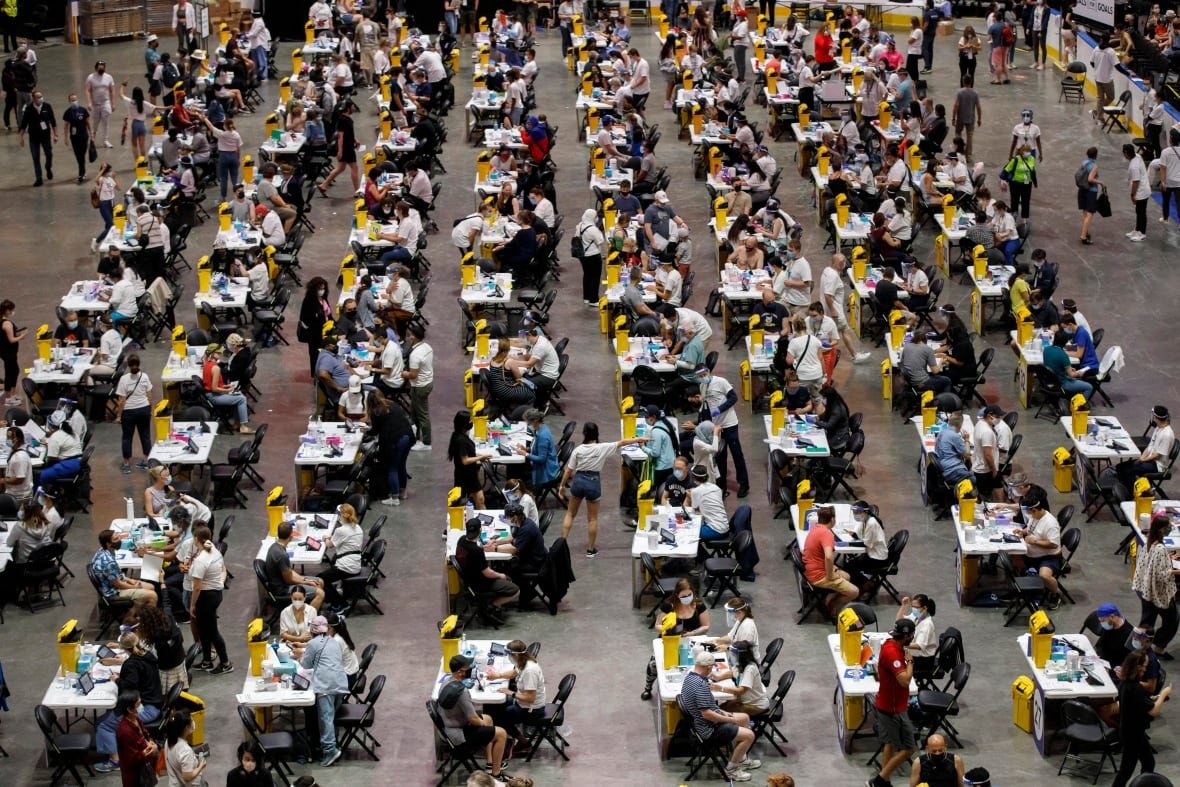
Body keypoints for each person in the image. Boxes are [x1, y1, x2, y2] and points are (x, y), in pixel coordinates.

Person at [558, 422, 644, 556]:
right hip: (593, 482)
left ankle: (561, 547)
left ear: (584, 433)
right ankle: (590, 550)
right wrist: (638, 439)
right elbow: (622, 442)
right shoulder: (602, 447)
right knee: (592, 519)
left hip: (579, 481)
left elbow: (568, 471)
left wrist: (562, 486)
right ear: (596, 434)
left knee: (570, 514)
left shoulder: (578, 450)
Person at [679, 647, 761, 782]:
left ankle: (741, 758)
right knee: (749, 736)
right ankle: (732, 770)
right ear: (708, 667)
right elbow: (707, 714)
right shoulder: (700, 685)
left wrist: (725, 713)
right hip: (708, 730)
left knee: (744, 718)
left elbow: (710, 707)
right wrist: (730, 720)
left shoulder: (690, 678)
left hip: (705, 723)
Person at [438, 655, 511, 782]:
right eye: (467, 669)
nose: (470, 670)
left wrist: (482, 721)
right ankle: (496, 774)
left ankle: (490, 763)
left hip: (449, 726)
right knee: (501, 733)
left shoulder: (445, 683)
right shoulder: (462, 692)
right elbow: (473, 719)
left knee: (488, 718)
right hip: (459, 735)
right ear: (461, 672)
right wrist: (480, 722)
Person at [1111, 650, 1173, 787]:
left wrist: (1151, 699)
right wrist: (1163, 695)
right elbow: (1153, 711)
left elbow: (1139, 702)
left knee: (1148, 762)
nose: (1145, 669)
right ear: (1136, 666)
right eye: (1144, 665)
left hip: (1130, 730)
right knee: (1126, 770)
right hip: (1133, 733)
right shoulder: (1135, 688)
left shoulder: (1125, 683)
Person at [868, 616, 917, 787]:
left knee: (889, 744)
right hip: (893, 709)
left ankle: (885, 781)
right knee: (909, 748)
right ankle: (880, 781)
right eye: (911, 636)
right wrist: (910, 662)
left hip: (887, 704)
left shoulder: (889, 644)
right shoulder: (893, 653)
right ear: (906, 637)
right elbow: (904, 680)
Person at [301, 615, 349, 767]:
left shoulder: (313, 643)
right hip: (340, 683)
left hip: (326, 686)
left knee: (326, 718)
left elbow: (306, 664)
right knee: (330, 717)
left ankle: (330, 750)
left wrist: (300, 657)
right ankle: (330, 744)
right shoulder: (334, 641)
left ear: (312, 629)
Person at [1132, 514, 1179, 659]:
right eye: (1168, 527)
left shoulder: (1149, 542)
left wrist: (1167, 559)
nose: (1171, 528)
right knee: (1172, 620)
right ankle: (1159, 647)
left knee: (1146, 622)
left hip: (1146, 591)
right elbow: (1160, 575)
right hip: (1159, 593)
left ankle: (1136, 646)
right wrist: (1176, 571)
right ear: (1161, 529)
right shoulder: (1159, 549)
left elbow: (1151, 564)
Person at [456, 517, 520, 622]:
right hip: (481, 584)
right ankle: (491, 605)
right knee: (515, 589)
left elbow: (473, 552)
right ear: (480, 531)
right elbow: (488, 573)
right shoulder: (477, 552)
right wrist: (501, 575)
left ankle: (490, 604)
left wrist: (483, 548)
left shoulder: (462, 540)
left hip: (468, 579)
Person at [188, 525, 231, 674]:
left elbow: (197, 587)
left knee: (212, 631)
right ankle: (207, 660)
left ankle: (225, 663)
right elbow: (223, 570)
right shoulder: (214, 550)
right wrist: (219, 584)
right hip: (215, 594)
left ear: (195, 539)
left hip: (206, 597)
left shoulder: (202, 560)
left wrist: (192, 605)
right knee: (203, 630)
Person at [802, 506, 860, 616]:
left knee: (847, 576)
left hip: (811, 571)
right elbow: (828, 557)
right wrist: (831, 575)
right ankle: (831, 606)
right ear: (832, 519)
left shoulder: (815, 529)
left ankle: (827, 599)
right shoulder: (827, 534)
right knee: (854, 591)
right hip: (819, 576)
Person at [1013, 486, 1063, 609]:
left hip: (1049, 557)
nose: (1029, 515)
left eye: (1030, 512)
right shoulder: (1034, 517)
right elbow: (1030, 529)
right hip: (1031, 554)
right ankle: (1024, 585)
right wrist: (1022, 532)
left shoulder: (1050, 523)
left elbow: (1053, 544)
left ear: (1035, 509)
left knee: (1044, 575)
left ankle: (1055, 594)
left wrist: (1034, 541)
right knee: (1012, 556)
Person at [202, 343, 255, 433]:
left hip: (209, 394)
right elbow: (214, 388)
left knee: (238, 395)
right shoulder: (216, 368)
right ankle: (243, 427)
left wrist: (226, 386)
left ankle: (237, 424)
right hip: (214, 396)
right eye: (218, 353)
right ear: (213, 354)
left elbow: (212, 384)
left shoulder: (206, 364)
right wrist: (227, 390)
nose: (220, 354)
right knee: (241, 399)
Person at [109, 690, 159, 784]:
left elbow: (145, 735)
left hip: (145, 768)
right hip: (135, 776)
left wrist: (151, 743)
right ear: (130, 709)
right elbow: (132, 759)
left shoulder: (136, 719)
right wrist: (149, 750)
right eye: (138, 704)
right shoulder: (125, 732)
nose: (141, 706)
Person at [1118, 405, 1174, 489]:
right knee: (1120, 467)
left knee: (1128, 471)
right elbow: (1150, 445)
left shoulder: (1167, 434)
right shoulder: (1158, 428)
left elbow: (1158, 455)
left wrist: (1143, 460)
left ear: (1156, 417)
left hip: (1157, 465)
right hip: (1149, 459)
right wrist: (1142, 457)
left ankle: (1135, 493)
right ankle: (1128, 489)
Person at [712, 639, 770, 717]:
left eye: (733, 655)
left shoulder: (750, 669)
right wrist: (718, 677)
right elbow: (732, 672)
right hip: (744, 700)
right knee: (721, 707)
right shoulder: (740, 664)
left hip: (755, 705)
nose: (731, 656)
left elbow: (741, 691)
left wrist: (721, 688)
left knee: (721, 713)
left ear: (741, 656)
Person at [844, 502, 889, 592]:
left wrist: (847, 544)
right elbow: (863, 537)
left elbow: (865, 544)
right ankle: (863, 584)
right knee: (849, 564)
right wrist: (854, 535)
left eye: (857, 512)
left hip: (877, 558)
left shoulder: (871, 523)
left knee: (849, 567)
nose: (855, 515)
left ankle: (866, 584)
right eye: (854, 512)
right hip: (871, 552)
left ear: (865, 512)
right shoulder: (865, 520)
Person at [403, 323, 434, 451]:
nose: (409, 337)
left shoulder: (415, 355)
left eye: (411, 335)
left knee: (422, 414)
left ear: (415, 337)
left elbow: (413, 374)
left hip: (420, 386)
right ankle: (414, 436)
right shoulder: (427, 347)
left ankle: (426, 443)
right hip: (427, 382)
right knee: (414, 411)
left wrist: (402, 373)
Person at [319, 100, 360, 194]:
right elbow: (340, 136)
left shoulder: (347, 119)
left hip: (348, 145)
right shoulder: (342, 120)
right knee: (355, 168)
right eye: (352, 106)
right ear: (348, 108)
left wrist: (355, 139)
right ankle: (357, 191)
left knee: (340, 168)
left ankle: (324, 185)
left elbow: (349, 133)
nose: (354, 108)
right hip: (346, 148)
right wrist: (340, 151)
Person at [17, 87, 55, 186]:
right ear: (33, 99)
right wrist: (21, 137)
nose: (40, 98)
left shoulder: (47, 107)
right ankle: (39, 178)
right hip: (34, 137)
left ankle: (48, 167)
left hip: (45, 136)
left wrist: (55, 134)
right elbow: (24, 124)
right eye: (38, 97)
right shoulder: (29, 109)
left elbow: (53, 121)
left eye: (41, 97)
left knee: (49, 154)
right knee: (35, 157)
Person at [1043, 329, 1092, 401]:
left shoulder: (1046, 350)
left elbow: (1054, 365)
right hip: (1062, 383)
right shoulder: (1063, 355)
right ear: (1065, 343)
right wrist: (1079, 373)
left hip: (1050, 380)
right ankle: (1079, 407)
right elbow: (1071, 375)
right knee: (1089, 387)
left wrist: (1068, 369)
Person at [299, 277, 332, 375]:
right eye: (320, 289)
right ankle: (316, 375)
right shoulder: (309, 301)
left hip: (326, 331)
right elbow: (304, 318)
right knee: (315, 356)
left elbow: (329, 314)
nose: (322, 291)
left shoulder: (324, 298)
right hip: (315, 335)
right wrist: (316, 318)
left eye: (323, 288)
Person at [164, 711, 207, 787]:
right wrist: (201, 766)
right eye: (191, 721)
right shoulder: (185, 750)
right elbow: (187, 777)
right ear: (186, 727)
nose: (193, 723)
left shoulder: (169, 741)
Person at [971, 404, 1005, 500]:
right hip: (986, 470)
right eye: (998, 417)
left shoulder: (979, 424)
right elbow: (988, 455)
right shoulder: (987, 432)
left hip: (981, 467)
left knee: (998, 486)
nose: (999, 419)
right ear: (990, 415)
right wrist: (994, 471)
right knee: (986, 498)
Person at [574, 208, 606, 306]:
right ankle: (594, 300)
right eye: (596, 216)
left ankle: (586, 297)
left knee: (587, 275)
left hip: (582, 255)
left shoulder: (580, 225)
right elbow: (600, 241)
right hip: (593, 255)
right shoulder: (592, 229)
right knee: (595, 277)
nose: (597, 218)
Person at [1124, 142, 1150, 242]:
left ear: (1126, 153)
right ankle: (1137, 230)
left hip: (1141, 192)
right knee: (1139, 211)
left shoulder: (1134, 166)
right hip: (1143, 189)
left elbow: (1136, 181)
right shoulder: (1137, 156)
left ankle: (1142, 233)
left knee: (1141, 212)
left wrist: (1132, 195)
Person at [1077, 145, 1102, 245]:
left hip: (1082, 189)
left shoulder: (1084, 163)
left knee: (1085, 212)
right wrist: (1100, 182)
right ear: (1096, 155)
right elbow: (1090, 179)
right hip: (1091, 191)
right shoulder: (1094, 166)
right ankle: (1083, 236)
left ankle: (1085, 231)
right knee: (1090, 214)